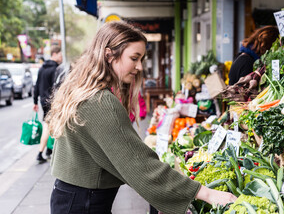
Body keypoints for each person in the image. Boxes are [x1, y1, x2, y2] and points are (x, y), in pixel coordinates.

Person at [46, 21, 236, 214]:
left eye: (142, 59)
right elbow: (139, 164)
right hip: (83, 203)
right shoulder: (101, 102)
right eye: (134, 58)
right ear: (109, 54)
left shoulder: (84, 91)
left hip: (70, 198)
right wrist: (207, 194)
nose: (139, 67)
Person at [33, 46, 63, 163]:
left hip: (42, 101)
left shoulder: (42, 68)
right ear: (54, 54)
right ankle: (41, 152)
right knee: (49, 126)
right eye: (60, 55)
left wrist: (35, 101)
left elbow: (36, 85)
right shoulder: (56, 69)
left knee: (50, 125)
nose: (61, 57)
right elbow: (57, 88)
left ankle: (48, 151)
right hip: (52, 101)